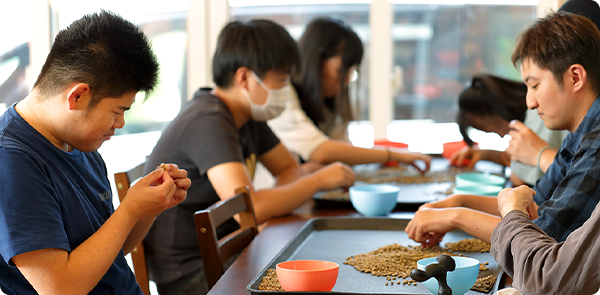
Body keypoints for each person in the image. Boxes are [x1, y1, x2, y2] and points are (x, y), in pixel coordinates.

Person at [143, 19, 356, 295]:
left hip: (231, 251)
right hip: (192, 272)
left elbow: (288, 169)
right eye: (281, 80)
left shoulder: (247, 115)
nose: (285, 89)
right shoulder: (208, 119)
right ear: (244, 78)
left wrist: (268, 207)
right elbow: (249, 209)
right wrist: (316, 181)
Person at [0, 11, 191, 295]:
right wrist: (128, 211)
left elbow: (112, 249)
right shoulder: (12, 161)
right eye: (117, 111)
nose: (120, 124)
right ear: (78, 96)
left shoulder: (80, 143)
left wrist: (149, 208)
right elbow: (60, 288)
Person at [406, 11, 600, 248]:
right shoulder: (578, 133)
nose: (530, 102)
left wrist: (455, 217)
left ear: (576, 77)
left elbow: (540, 235)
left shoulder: (596, 141)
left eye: (535, 85)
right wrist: (458, 202)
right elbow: (534, 206)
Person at [267, 17, 431, 173]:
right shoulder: (282, 94)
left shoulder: (328, 100)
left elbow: (342, 150)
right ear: (317, 60)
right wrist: (396, 154)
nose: (346, 80)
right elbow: (321, 151)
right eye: (341, 70)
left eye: (351, 73)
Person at [450, 74, 567, 186]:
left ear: (494, 112)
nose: (501, 136)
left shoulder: (538, 116)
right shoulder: (531, 116)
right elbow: (529, 160)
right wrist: (485, 154)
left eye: (490, 130)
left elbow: (519, 180)